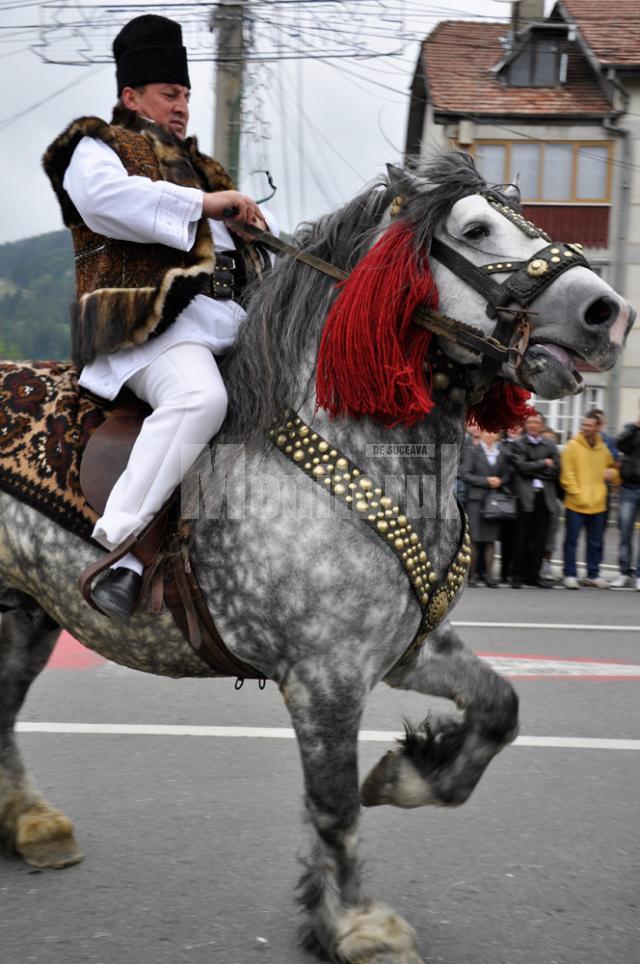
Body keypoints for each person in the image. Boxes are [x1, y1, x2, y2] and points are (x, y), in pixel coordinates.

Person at [43, 14, 275, 619]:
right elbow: (106, 203)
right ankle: (120, 551)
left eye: (186, 96)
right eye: (171, 94)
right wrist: (204, 205)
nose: (182, 107)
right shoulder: (95, 147)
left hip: (224, 328)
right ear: (131, 96)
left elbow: (222, 246)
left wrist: (249, 234)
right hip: (146, 329)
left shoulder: (202, 168)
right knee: (201, 400)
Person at [560, 415, 619, 589]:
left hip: (598, 504)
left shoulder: (603, 448)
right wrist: (578, 494)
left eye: (589, 425)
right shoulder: (572, 446)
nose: (585, 427)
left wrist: (612, 474)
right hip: (576, 504)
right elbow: (567, 476)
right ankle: (569, 574)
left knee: (595, 542)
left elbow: (614, 470)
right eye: (584, 424)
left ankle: (593, 574)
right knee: (572, 541)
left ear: (597, 427)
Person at [509, 413, 560, 588]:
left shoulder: (551, 445)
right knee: (521, 538)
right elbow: (521, 467)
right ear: (525, 424)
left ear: (542, 425)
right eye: (530, 422)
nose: (533, 425)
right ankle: (517, 575)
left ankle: (534, 575)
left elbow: (556, 470)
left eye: (537, 422)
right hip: (526, 497)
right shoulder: (518, 444)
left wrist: (534, 467)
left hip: (545, 497)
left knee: (540, 539)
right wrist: (544, 463)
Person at [460, 430, 511, 587]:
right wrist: (486, 481)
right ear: (481, 434)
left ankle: (489, 576)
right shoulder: (472, 450)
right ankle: (472, 576)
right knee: (474, 539)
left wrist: (500, 481)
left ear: (497, 435)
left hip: (494, 501)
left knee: (490, 540)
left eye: (493, 433)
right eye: (486, 432)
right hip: (475, 499)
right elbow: (465, 474)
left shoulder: (502, 452)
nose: (489, 435)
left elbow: (508, 473)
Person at [610, 403, 640, 590]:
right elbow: (619, 444)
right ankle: (623, 572)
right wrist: (634, 427)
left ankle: (639, 574)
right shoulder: (631, 429)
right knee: (625, 533)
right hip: (629, 487)